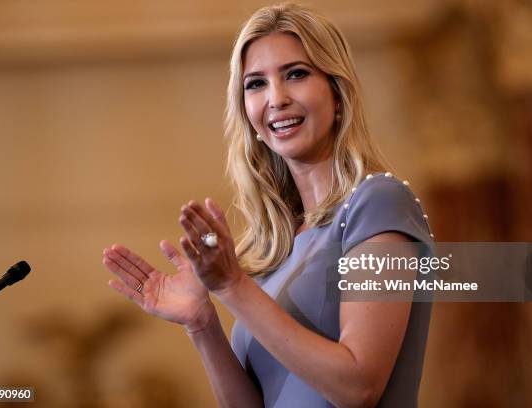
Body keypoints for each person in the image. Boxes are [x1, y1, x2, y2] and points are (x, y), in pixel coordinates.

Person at [102, 3, 434, 407]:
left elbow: (359, 386)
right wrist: (202, 324)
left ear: (338, 92)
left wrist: (234, 287)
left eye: (296, 74)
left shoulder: (378, 201)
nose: (276, 98)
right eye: (255, 84)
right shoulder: (274, 251)